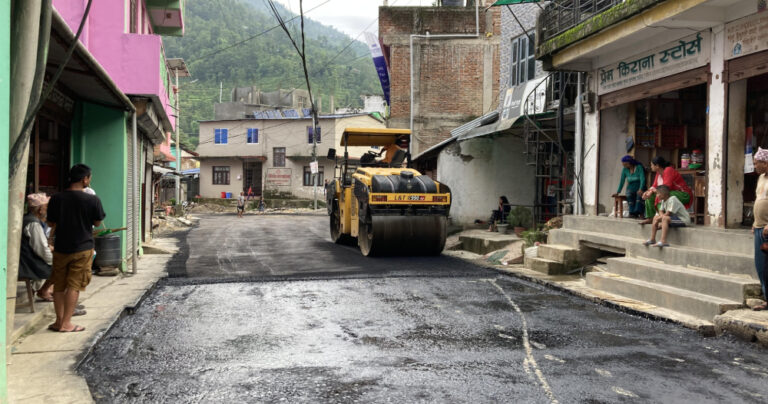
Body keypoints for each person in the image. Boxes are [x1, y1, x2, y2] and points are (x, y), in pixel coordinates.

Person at [47, 164, 105, 332]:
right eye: (89, 178)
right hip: (82, 248)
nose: (89, 181)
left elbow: (50, 223)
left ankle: (58, 321)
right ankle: (67, 323)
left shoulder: (56, 198)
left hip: (61, 247)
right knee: (74, 285)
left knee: (59, 285)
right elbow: (97, 222)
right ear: (84, 179)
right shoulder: (92, 200)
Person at [19, 193, 54, 302]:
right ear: (40, 210)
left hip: (26, 258)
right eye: (46, 207)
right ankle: (43, 290)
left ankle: (42, 290)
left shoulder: (28, 219)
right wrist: (53, 260)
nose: (48, 210)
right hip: (27, 262)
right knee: (61, 266)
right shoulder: (33, 223)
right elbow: (42, 250)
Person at [640, 156, 692, 224]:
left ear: (657, 166)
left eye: (652, 165)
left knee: (662, 195)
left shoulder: (668, 170)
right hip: (670, 192)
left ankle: (662, 216)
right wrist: (647, 192)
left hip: (684, 194)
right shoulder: (658, 173)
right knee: (650, 197)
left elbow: (666, 188)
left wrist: (651, 191)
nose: (651, 167)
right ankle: (650, 218)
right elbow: (654, 186)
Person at [751, 147, 768, 310]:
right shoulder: (761, 178)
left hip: (767, 229)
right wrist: (754, 222)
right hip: (759, 227)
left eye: (757, 163)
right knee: (760, 265)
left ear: (765, 163)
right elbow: (759, 199)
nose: (755, 166)